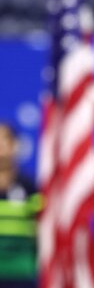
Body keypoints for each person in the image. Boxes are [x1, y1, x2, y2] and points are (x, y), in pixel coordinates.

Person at [0, 122, 42, 288]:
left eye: (5, 139)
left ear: (15, 145)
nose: (1, 146)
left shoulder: (32, 189)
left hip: (23, 278)